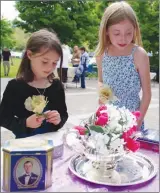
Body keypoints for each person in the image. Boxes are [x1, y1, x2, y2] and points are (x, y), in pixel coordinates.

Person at [0, 29, 68, 138]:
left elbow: (63, 114)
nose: (50, 67)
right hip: (25, 146)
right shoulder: (15, 86)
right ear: (30, 54)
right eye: (44, 61)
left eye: (55, 63)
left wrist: (58, 120)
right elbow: (3, 118)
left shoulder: (56, 86)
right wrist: (25, 123)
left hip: (51, 144)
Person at [95, 1, 151, 132]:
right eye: (116, 33)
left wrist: (137, 123)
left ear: (135, 30)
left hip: (132, 120)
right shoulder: (102, 54)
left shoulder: (139, 55)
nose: (123, 39)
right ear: (106, 31)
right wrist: (103, 95)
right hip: (108, 119)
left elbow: (147, 94)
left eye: (128, 33)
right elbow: (101, 81)